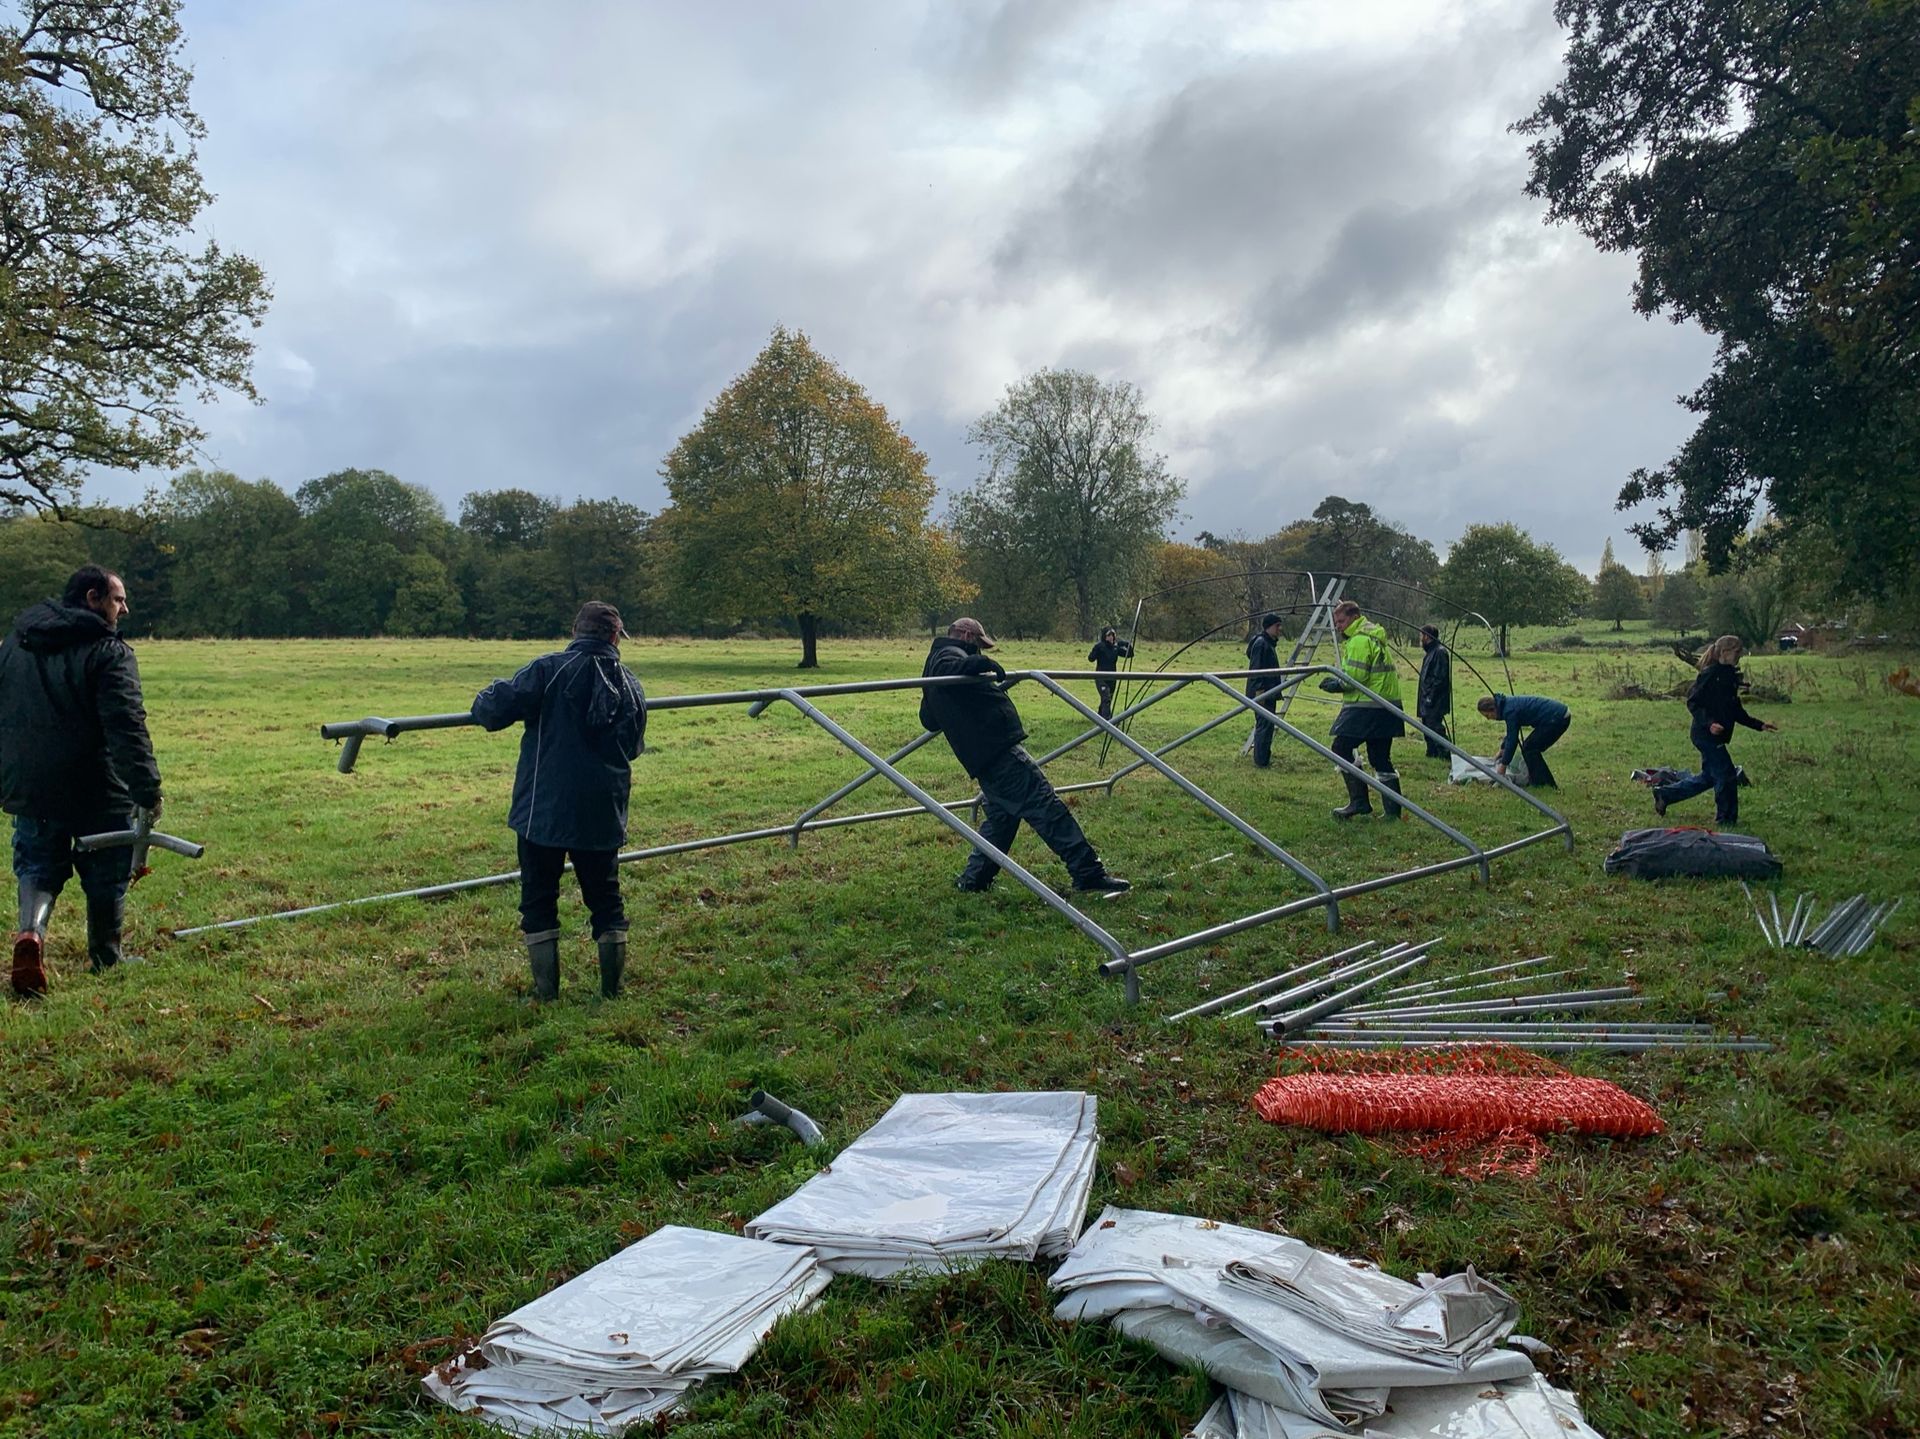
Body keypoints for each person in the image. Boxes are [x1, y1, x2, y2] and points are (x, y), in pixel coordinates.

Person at [1, 565, 164, 995]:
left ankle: (30, 934)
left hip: (32, 785)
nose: (124, 608)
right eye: (117, 599)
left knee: (38, 864)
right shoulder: (108, 652)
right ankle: (106, 955)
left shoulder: (17, 643)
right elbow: (127, 726)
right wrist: (147, 790)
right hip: (96, 786)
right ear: (93, 598)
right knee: (107, 868)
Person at [472, 601, 646, 1001]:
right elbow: (633, 747)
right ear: (616, 637)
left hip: (542, 809)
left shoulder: (547, 670)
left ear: (574, 631)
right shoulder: (631, 683)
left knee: (538, 898)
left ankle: (545, 994)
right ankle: (612, 992)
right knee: (606, 899)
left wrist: (487, 694)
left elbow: (494, 710)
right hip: (603, 809)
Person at [921, 617, 1129, 895]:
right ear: (966, 635)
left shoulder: (937, 661)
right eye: (978, 646)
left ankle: (973, 880)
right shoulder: (948, 654)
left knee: (1001, 819)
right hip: (998, 751)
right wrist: (980, 666)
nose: (980, 652)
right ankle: (1088, 872)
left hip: (984, 756)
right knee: (1046, 806)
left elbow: (928, 719)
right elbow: (950, 670)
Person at [1652, 634, 1777, 825]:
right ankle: (1726, 820)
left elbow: (1735, 709)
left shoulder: (1730, 675)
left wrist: (1759, 724)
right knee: (1726, 775)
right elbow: (1693, 702)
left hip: (1717, 736)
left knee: (1709, 777)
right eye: (1737, 652)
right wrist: (1709, 723)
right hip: (1705, 735)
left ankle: (1665, 795)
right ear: (1725, 652)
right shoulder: (1710, 674)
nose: (1739, 656)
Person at [1320, 600, 1406, 820]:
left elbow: (1355, 678)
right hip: (1387, 706)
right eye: (1336, 622)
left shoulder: (1358, 641)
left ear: (1354, 618)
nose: (1338, 626)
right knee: (1380, 758)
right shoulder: (1375, 637)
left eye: (1341, 621)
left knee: (1341, 747)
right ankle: (1392, 812)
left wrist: (1336, 684)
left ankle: (1359, 802)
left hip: (1367, 706)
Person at [1476, 692, 1572, 788]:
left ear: (1492, 709)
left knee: (1530, 749)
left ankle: (1545, 784)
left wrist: (1503, 765)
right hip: (1557, 714)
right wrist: (1502, 749)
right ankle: (1537, 780)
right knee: (1529, 747)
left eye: (1487, 716)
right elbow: (1511, 732)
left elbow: (1512, 741)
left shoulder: (1509, 711)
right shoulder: (1506, 705)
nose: (1489, 719)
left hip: (1557, 718)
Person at [1245, 613, 1284, 768]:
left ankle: (1264, 757)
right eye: (1277, 626)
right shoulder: (1262, 644)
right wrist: (1260, 693)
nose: (1280, 629)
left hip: (1269, 692)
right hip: (1263, 693)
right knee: (1264, 726)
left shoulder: (1267, 642)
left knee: (1267, 725)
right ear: (1269, 627)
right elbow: (1255, 670)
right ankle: (1261, 761)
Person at [1416, 624, 1452, 758]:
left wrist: (1431, 696)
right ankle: (1432, 752)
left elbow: (1439, 678)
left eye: (1421, 635)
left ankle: (1445, 752)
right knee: (1426, 724)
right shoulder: (1431, 652)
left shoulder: (1439, 652)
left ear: (1427, 636)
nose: (1420, 638)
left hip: (1435, 698)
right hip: (1427, 697)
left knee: (1434, 726)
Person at [1086, 626, 1134, 720]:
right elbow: (1090, 658)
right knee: (1106, 697)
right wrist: (1096, 650)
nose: (1111, 637)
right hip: (1101, 677)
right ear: (1104, 636)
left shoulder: (1115, 648)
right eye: (1109, 635)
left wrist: (1127, 644)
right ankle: (1107, 721)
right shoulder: (1100, 646)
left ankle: (1099, 716)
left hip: (1112, 678)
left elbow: (1130, 654)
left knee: (1108, 699)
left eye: (1112, 635)